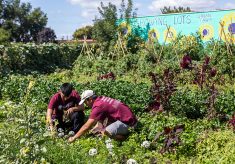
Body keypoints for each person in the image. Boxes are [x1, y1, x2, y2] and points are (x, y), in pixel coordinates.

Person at [68, 90, 137, 142]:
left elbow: (87, 126)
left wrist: (74, 137)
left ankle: (125, 138)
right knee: (100, 129)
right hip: (129, 118)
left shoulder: (98, 106)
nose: (86, 104)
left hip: (128, 123)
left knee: (104, 132)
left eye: (85, 102)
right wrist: (93, 130)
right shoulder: (101, 99)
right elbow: (100, 120)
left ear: (90, 99)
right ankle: (122, 133)